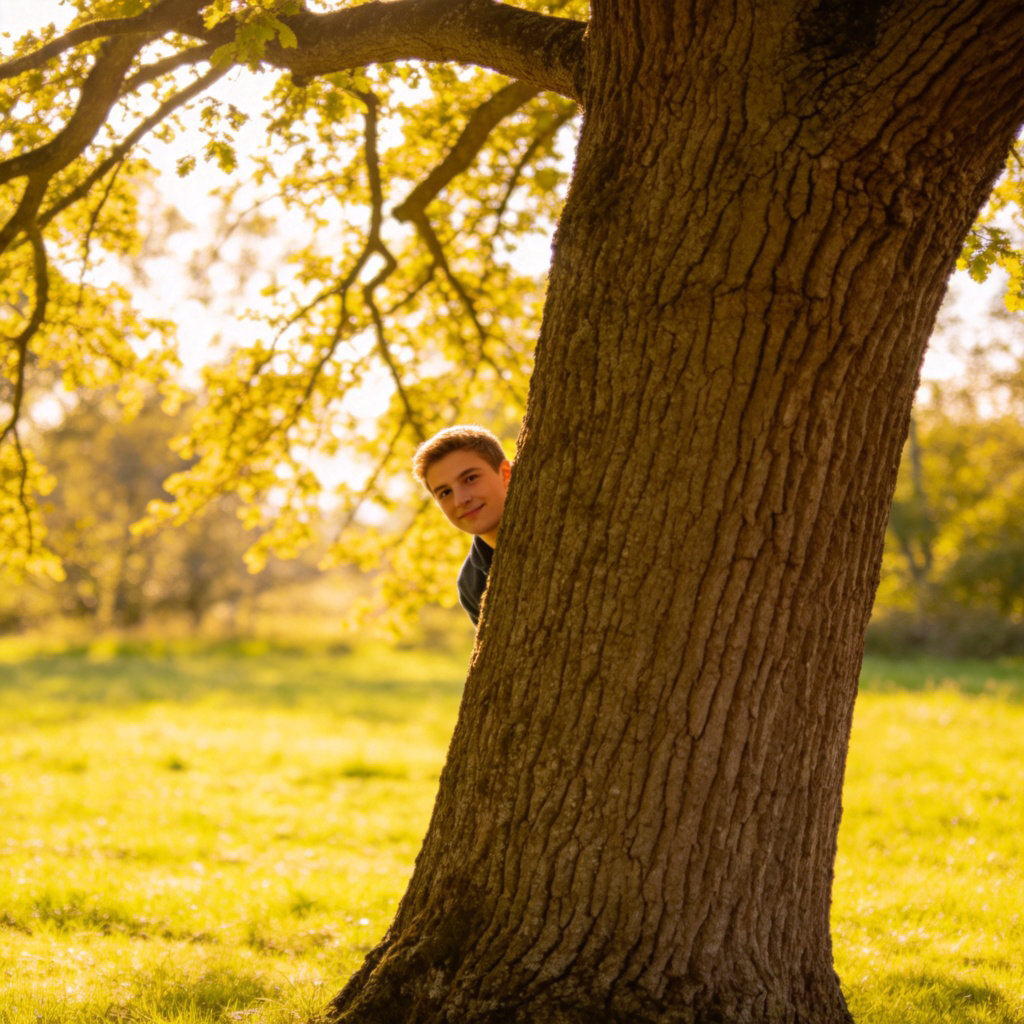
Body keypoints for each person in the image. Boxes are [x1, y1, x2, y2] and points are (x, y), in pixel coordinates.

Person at [412, 425, 512, 626]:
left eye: (470, 479)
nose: (460, 500)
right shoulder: (471, 584)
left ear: (505, 474)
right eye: (445, 493)